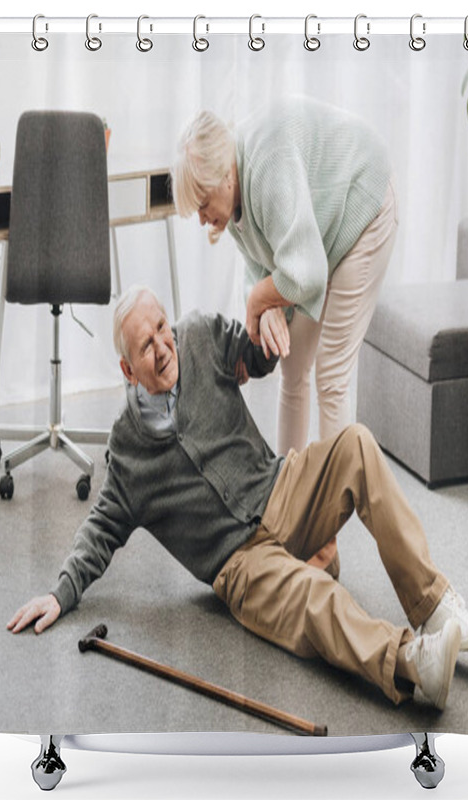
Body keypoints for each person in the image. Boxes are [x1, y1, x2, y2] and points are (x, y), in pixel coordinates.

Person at [8, 286, 468, 711]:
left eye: (162, 329)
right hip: (240, 563)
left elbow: (254, 357)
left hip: (281, 489)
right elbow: (102, 528)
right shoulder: (127, 450)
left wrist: (270, 315)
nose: (162, 347)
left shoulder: (198, 334)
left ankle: (434, 605)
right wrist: (60, 592)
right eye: (146, 346)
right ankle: (412, 663)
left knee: (356, 446)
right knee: (312, 595)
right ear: (127, 369)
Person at [172, 96, 400, 575]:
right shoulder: (231, 201)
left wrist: (260, 300)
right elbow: (268, 260)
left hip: (363, 208)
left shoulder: (266, 163)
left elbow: (305, 274)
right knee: (292, 370)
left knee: (331, 375)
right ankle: (292, 518)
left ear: (226, 176)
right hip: (320, 237)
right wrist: (268, 307)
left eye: (203, 204)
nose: (201, 218)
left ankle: (325, 540)